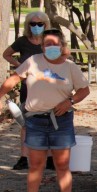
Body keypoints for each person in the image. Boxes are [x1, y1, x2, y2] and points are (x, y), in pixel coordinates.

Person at [0, 28, 90, 192]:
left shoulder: (70, 67)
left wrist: (69, 102)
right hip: (35, 121)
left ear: (62, 45)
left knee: (62, 165)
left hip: (61, 122)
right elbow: (14, 79)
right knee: (36, 165)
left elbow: (84, 90)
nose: (50, 47)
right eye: (46, 44)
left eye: (54, 44)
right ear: (41, 46)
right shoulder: (32, 62)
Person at [3, 11, 54, 170]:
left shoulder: (50, 41)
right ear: (28, 25)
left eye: (40, 24)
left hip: (47, 87)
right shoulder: (22, 41)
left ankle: (50, 159)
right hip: (28, 88)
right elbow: (6, 54)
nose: (36, 27)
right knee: (26, 123)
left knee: (50, 123)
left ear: (46, 25)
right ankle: (24, 158)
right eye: (33, 24)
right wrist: (20, 67)